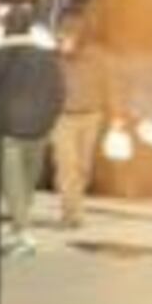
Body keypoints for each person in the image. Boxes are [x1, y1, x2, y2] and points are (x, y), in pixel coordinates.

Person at [0, 4, 63, 256]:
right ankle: (18, 228)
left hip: (9, 130)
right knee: (28, 184)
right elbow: (59, 91)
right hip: (40, 129)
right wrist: (50, 120)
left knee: (13, 185)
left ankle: (23, 234)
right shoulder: (46, 57)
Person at [46, 20, 107, 235]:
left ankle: (76, 204)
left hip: (91, 116)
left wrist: (118, 117)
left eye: (66, 38)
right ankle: (70, 212)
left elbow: (111, 83)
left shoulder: (97, 57)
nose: (62, 42)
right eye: (60, 38)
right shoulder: (53, 60)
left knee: (83, 166)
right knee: (66, 165)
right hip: (63, 118)